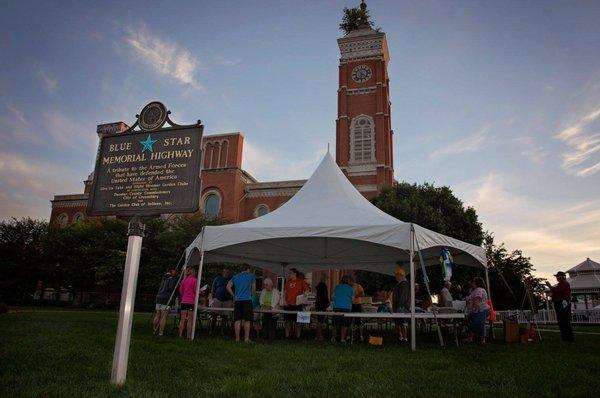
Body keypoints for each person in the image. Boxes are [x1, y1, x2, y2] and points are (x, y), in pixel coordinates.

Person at [226, 264, 256, 343]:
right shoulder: (251, 276)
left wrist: (234, 295)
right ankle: (246, 339)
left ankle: (237, 338)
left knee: (237, 319)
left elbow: (228, 286)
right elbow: (253, 288)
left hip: (238, 300)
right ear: (248, 269)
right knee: (247, 320)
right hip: (247, 300)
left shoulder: (235, 277)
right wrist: (252, 295)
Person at [546, 271, 574, 342]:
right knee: (562, 321)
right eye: (556, 276)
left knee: (564, 320)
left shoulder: (564, 283)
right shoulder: (561, 284)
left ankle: (568, 338)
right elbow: (556, 291)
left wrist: (549, 285)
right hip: (560, 303)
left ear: (562, 276)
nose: (557, 278)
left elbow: (556, 290)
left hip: (562, 303)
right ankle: (566, 337)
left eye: (558, 276)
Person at [283, 268, 309, 339]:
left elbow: (307, 290)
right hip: (288, 305)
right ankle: (287, 336)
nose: (289, 274)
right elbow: (285, 293)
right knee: (288, 321)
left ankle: (298, 336)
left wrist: (305, 294)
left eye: (290, 273)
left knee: (298, 321)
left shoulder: (301, 281)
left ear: (295, 274)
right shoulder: (288, 282)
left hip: (297, 304)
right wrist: (284, 300)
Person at [153, 267, 178, 336]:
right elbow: (171, 288)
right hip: (166, 298)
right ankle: (161, 332)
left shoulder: (164, 278)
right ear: (171, 271)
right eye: (175, 271)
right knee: (163, 316)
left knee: (157, 315)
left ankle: (155, 330)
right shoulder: (171, 279)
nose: (176, 273)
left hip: (159, 297)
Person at [465, 277, 490, 342]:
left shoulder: (479, 290)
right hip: (477, 310)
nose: (472, 283)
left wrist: (470, 311)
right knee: (473, 323)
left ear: (476, 283)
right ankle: (472, 338)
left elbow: (477, 302)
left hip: (481, 310)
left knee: (476, 324)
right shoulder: (475, 290)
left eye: (473, 282)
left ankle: (481, 339)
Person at [331, 275, 355, 343]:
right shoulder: (351, 289)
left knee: (335, 324)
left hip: (337, 307)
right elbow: (353, 300)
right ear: (348, 281)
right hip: (346, 308)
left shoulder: (337, 287)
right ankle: (342, 339)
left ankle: (333, 337)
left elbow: (332, 297)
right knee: (345, 324)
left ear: (341, 280)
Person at [209, 268, 233, 334]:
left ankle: (223, 331)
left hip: (227, 300)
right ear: (222, 272)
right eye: (225, 272)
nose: (226, 273)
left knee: (225, 316)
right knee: (214, 315)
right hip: (217, 299)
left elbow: (233, 289)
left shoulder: (231, 279)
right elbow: (213, 288)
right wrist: (213, 298)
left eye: (228, 272)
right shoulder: (217, 278)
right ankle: (211, 330)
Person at [178, 267, 198, 339]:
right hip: (191, 302)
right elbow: (196, 290)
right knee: (190, 319)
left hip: (184, 301)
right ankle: (188, 335)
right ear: (193, 272)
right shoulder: (195, 280)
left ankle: (180, 334)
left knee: (182, 319)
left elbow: (180, 292)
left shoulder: (183, 280)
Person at [392, 267, 410, 343]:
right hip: (398, 306)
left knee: (402, 322)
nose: (396, 277)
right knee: (398, 322)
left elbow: (403, 296)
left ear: (401, 275)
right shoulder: (399, 284)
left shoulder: (404, 284)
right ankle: (401, 337)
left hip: (402, 307)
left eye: (397, 275)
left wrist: (400, 306)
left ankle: (404, 338)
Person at [314, 273, 330, 342]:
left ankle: (318, 336)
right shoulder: (323, 285)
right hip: (322, 305)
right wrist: (327, 303)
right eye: (327, 279)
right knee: (320, 321)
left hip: (318, 304)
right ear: (325, 279)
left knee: (319, 320)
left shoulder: (319, 285)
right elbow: (324, 296)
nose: (327, 280)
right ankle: (319, 336)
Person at [350, 273, 365, 341]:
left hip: (357, 304)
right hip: (350, 305)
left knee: (358, 321)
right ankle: (351, 335)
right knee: (351, 320)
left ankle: (361, 335)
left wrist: (355, 295)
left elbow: (362, 294)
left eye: (350, 280)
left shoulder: (358, 286)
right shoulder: (348, 287)